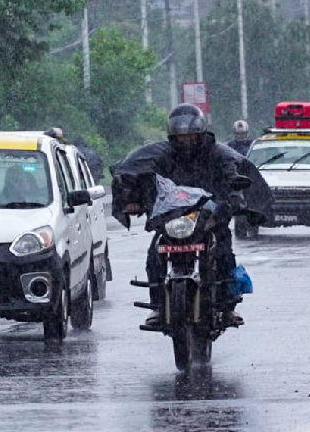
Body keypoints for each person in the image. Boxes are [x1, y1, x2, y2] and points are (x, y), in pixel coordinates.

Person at [111, 104, 272, 331]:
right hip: (172, 216)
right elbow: (136, 169)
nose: (185, 141)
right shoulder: (161, 154)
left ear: (200, 133)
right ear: (171, 136)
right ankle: (158, 305)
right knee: (154, 252)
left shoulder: (218, 154)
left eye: (190, 136)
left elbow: (232, 171)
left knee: (223, 249)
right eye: (180, 137)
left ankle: (227, 307)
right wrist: (131, 196)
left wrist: (236, 196)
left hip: (209, 216)